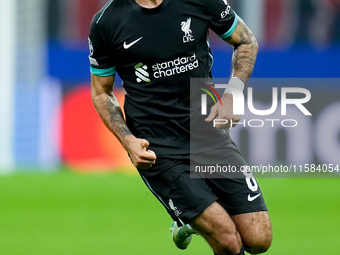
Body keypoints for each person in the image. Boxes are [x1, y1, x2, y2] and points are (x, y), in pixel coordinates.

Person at [89, 0, 273, 254]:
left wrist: (233, 93)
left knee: (259, 238)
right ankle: (191, 212)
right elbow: (101, 92)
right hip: (158, 147)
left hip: (207, 133)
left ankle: (185, 220)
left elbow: (246, 41)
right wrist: (127, 140)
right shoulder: (106, 23)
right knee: (228, 240)